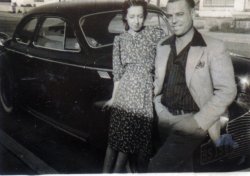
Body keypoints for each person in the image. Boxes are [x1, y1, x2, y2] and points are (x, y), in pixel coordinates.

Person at [148, 0, 237, 172]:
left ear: (193, 14)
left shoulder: (214, 47)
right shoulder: (163, 46)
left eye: (179, 14)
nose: (173, 20)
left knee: (156, 167)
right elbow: (158, 83)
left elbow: (227, 90)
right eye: (170, 15)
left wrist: (198, 121)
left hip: (191, 123)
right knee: (182, 169)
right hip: (164, 117)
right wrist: (159, 109)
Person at [102, 0, 166, 173]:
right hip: (125, 93)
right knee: (115, 141)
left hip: (144, 93)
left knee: (128, 144)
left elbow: (168, 52)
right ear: (125, 17)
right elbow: (118, 72)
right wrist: (114, 98)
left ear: (144, 16)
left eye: (140, 16)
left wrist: (158, 86)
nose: (137, 21)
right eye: (132, 17)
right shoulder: (119, 40)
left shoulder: (154, 34)